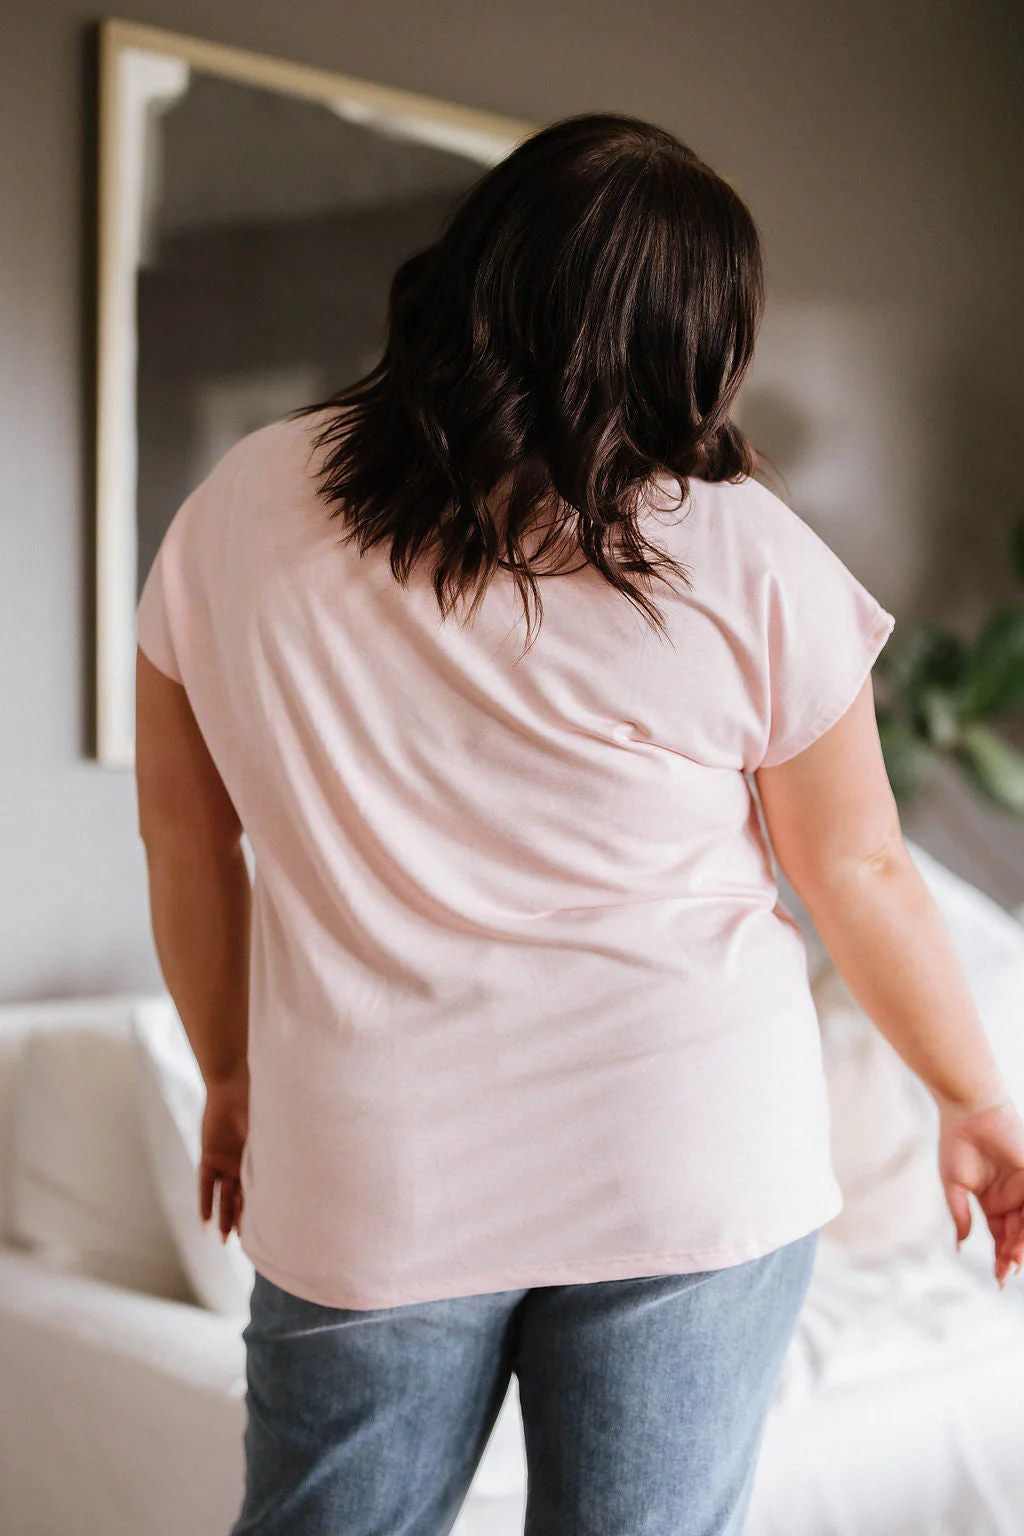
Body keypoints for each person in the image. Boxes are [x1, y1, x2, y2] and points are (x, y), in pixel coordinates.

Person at [134, 112, 1024, 1536]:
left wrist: (231, 1075)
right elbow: (856, 867)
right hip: (689, 1155)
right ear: (696, 341)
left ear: (475, 274)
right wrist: (973, 1100)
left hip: (372, 1162)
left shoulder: (238, 505)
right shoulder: (746, 551)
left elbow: (188, 841)